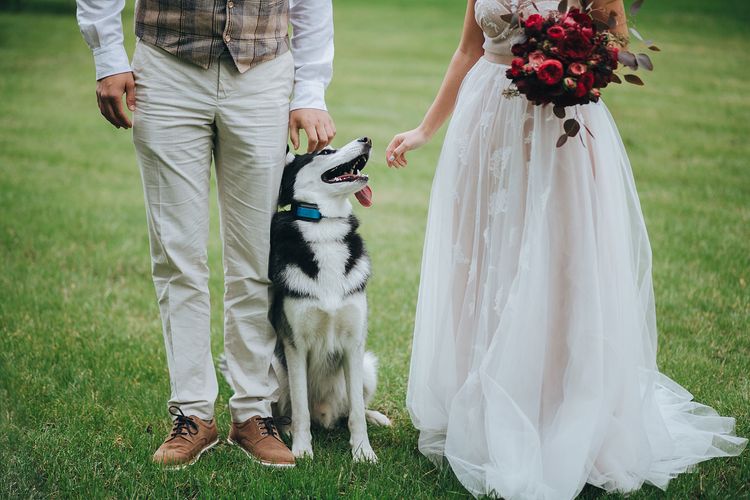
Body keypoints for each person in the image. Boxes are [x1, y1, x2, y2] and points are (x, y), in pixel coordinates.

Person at [386, 0, 746, 497]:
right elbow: (468, 49)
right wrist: (425, 129)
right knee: (486, 257)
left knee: (555, 261)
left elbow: (615, 38)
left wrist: (574, 60)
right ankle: (487, 401)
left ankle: (554, 405)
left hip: (558, 124)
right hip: (487, 119)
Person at [75, 0, 336, 469]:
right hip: (166, 68)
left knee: (257, 255)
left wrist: (310, 89)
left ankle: (253, 411)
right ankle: (192, 412)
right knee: (177, 256)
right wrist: (108, 55)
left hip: (264, 73)